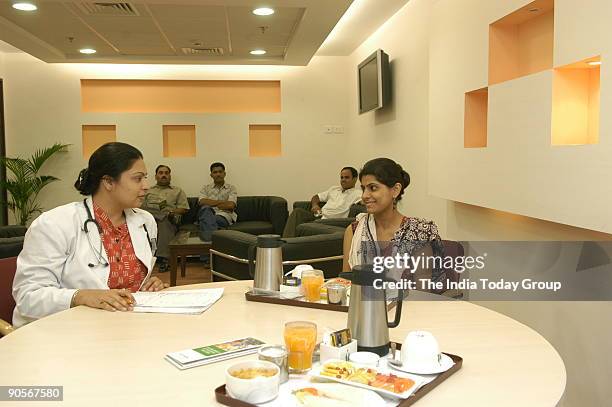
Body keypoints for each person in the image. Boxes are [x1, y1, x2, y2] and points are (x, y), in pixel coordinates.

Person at [12, 142, 167, 328]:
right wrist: (81, 296)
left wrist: (148, 285)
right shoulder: (55, 224)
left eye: (145, 178)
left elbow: (131, 280)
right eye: (138, 178)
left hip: (127, 326)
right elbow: (28, 297)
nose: (146, 186)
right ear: (108, 181)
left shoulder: (145, 221)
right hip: (66, 331)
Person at [342, 158, 446, 292]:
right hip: (361, 310)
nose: (365, 196)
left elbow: (422, 293)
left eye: (373, 188)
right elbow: (346, 284)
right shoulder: (354, 231)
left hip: (407, 310)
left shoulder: (417, 233)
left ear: (395, 190)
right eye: (363, 189)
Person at [282, 167, 361, 238]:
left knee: (303, 224)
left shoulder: (358, 194)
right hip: (319, 216)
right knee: (297, 212)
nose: (343, 180)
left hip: (331, 222)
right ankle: (285, 241)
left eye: (346, 177)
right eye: (341, 177)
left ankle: (287, 244)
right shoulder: (334, 189)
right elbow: (316, 197)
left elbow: (364, 201)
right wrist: (315, 205)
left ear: (355, 179)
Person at [141, 165, 189, 272]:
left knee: (164, 221)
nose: (164, 175)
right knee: (155, 214)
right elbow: (140, 207)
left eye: (166, 173)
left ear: (170, 176)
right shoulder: (147, 191)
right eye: (161, 173)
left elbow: (184, 209)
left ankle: (164, 259)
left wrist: (171, 212)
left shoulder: (177, 191)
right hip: (149, 218)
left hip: (171, 218)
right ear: (156, 176)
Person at [198, 162, 237, 242]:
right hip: (208, 213)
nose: (218, 174)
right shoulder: (205, 188)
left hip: (224, 216)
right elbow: (202, 202)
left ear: (224, 173)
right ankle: (215, 247)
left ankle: (208, 247)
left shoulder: (231, 188)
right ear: (211, 175)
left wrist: (210, 203)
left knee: (206, 220)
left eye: (220, 172)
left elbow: (230, 205)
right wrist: (222, 202)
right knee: (206, 209)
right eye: (215, 172)